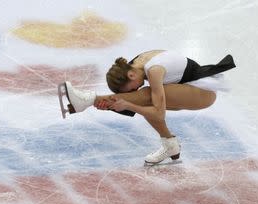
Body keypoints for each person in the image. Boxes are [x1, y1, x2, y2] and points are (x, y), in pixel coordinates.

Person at [61, 49, 236, 164]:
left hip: (203, 92)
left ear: (130, 74)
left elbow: (158, 114)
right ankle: (170, 145)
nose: (135, 89)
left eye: (132, 88)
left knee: (146, 96)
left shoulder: (154, 71)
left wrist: (128, 104)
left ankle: (87, 100)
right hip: (186, 86)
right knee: (146, 97)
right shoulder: (136, 63)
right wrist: (114, 104)